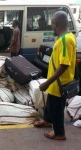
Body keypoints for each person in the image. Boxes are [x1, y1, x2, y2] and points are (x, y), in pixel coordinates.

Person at [33, 11, 76, 140]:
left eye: (52, 24)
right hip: (56, 82)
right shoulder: (67, 37)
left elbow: (64, 65)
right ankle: (47, 120)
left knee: (57, 108)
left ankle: (59, 133)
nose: (51, 26)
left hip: (59, 83)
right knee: (51, 103)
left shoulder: (64, 40)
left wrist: (47, 82)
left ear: (55, 24)